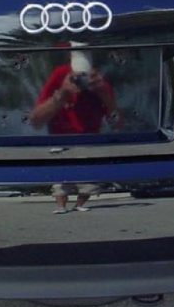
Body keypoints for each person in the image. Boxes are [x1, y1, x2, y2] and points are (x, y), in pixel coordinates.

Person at [29, 51, 118, 213]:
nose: (81, 80)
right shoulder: (60, 75)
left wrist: (104, 95)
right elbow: (35, 120)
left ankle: (80, 204)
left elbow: (117, 124)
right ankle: (61, 205)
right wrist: (62, 94)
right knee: (61, 182)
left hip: (89, 144)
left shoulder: (100, 81)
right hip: (60, 143)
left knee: (88, 183)